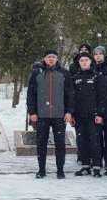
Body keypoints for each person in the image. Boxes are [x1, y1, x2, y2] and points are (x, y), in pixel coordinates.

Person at [27, 50, 73, 179]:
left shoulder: (64, 73)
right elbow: (31, 94)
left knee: (60, 144)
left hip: (59, 115)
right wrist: (32, 112)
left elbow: (70, 94)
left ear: (57, 59)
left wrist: (69, 111)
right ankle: (41, 170)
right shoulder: (37, 73)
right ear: (44, 59)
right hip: (42, 115)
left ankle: (60, 170)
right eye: (49, 57)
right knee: (41, 143)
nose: (51, 59)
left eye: (53, 57)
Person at [70, 52, 104, 177]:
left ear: (91, 61)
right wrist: (72, 114)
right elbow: (72, 97)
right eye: (81, 60)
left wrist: (100, 114)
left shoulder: (97, 76)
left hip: (94, 115)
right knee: (82, 141)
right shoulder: (75, 77)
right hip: (79, 116)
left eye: (86, 60)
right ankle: (85, 166)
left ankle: (96, 166)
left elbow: (102, 97)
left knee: (95, 141)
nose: (84, 62)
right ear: (79, 63)